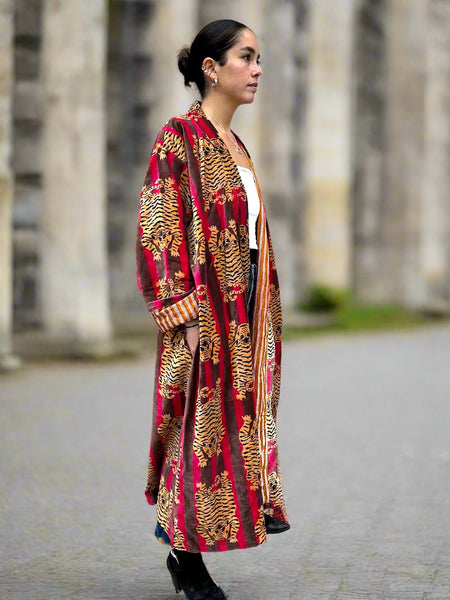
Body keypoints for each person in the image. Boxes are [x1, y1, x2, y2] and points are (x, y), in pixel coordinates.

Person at [136, 19, 290, 600]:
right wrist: (179, 307)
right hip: (202, 312)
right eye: (246, 58)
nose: (256, 69)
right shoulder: (178, 138)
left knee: (236, 426)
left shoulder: (237, 147)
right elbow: (158, 222)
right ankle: (187, 558)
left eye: (259, 59)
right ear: (211, 68)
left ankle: (193, 532)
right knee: (197, 431)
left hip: (247, 312)